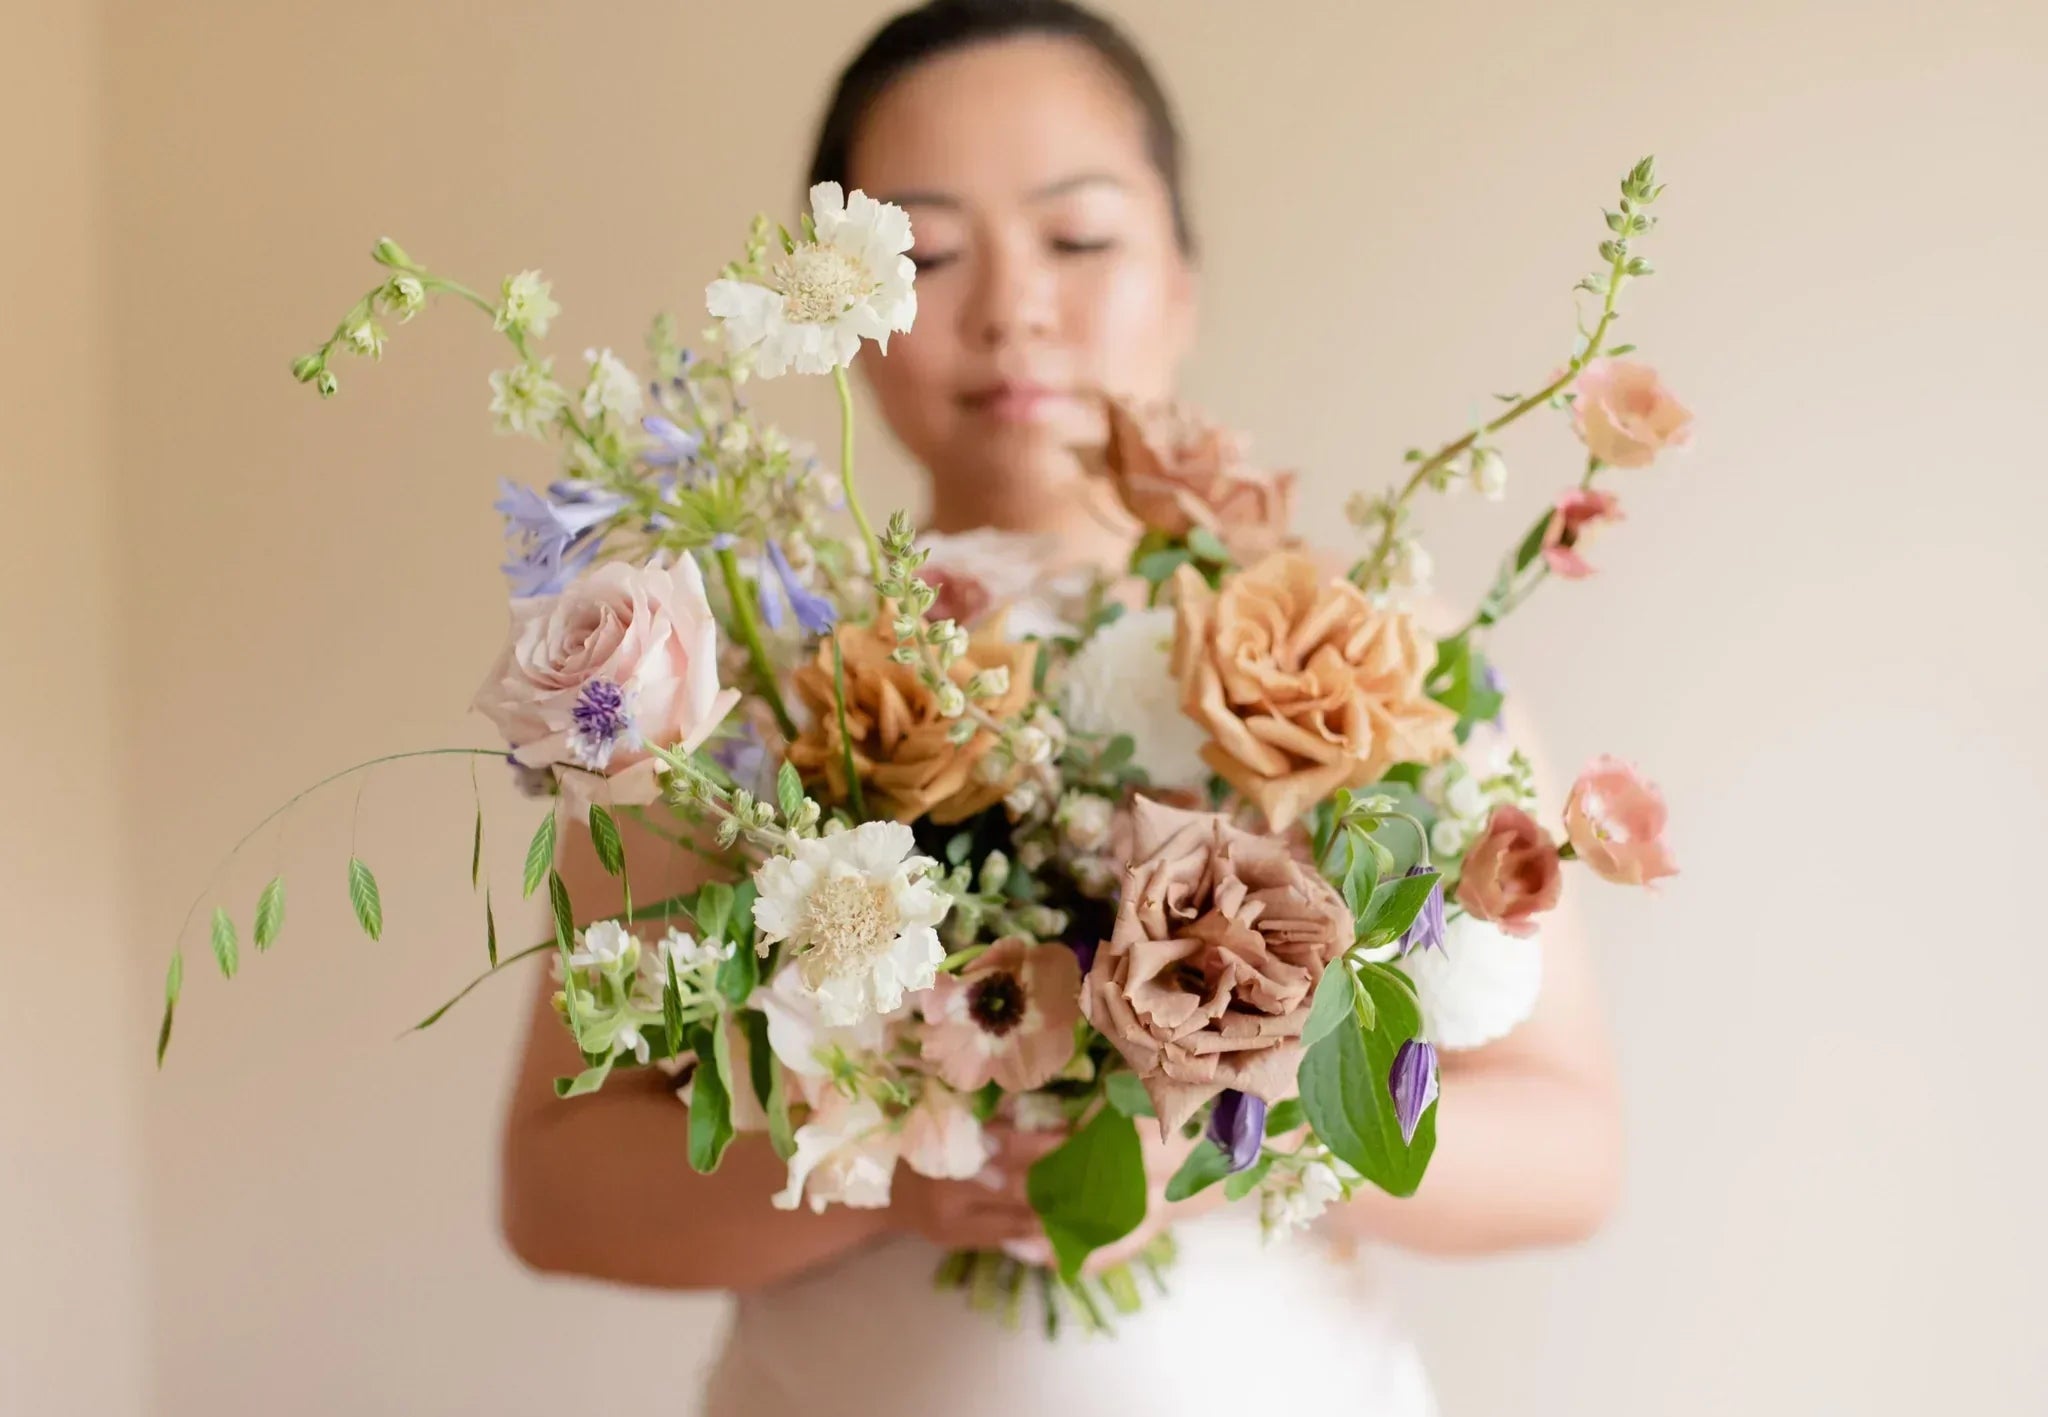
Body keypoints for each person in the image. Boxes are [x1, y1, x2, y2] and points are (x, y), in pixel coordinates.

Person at [500, 4, 1622, 1412]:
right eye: (931, 252)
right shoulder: (741, 689)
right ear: (842, 313)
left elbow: (1571, 1141)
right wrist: (893, 1171)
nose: (1013, 305)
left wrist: (1244, 1128)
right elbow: (554, 1181)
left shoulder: (1368, 665)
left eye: (1078, 239)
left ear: (1184, 279)